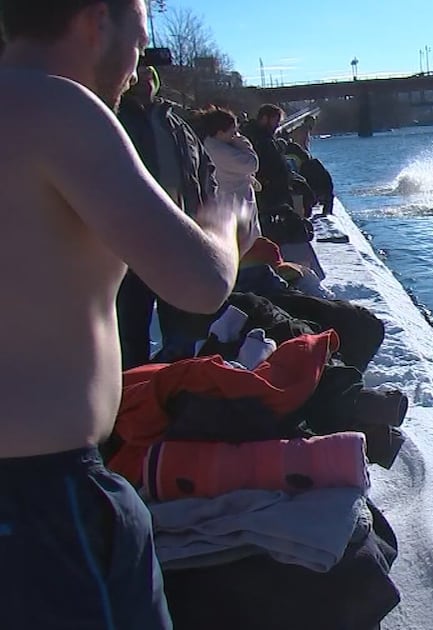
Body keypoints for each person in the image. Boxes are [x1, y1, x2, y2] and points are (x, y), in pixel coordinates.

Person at [0, 1, 252, 627]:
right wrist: (227, 221)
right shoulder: (58, 107)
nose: (136, 70)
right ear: (93, 21)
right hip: (43, 502)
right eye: (138, 43)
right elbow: (199, 282)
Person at [116, 64, 221, 366]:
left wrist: (206, 213)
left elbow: (205, 170)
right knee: (131, 329)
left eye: (151, 77)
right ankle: (135, 395)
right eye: (139, 77)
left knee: (182, 328)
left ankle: (175, 391)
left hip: (181, 241)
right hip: (133, 247)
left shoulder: (177, 125)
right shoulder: (113, 120)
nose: (146, 83)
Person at [198, 107, 261, 237]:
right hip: (234, 204)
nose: (234, 135)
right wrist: (244, 142)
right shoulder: (219, 151)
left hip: (232, 202)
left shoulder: (217, 146)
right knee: (245, 241)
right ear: (220, 132)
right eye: (232, 132)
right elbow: (252, 163)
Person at [242, 103, 292, 212]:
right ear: (265, 118)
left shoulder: (265, 138)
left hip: (272, 194)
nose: (277, 125)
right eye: (276, 121)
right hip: (266, 197)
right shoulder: (258, 139)